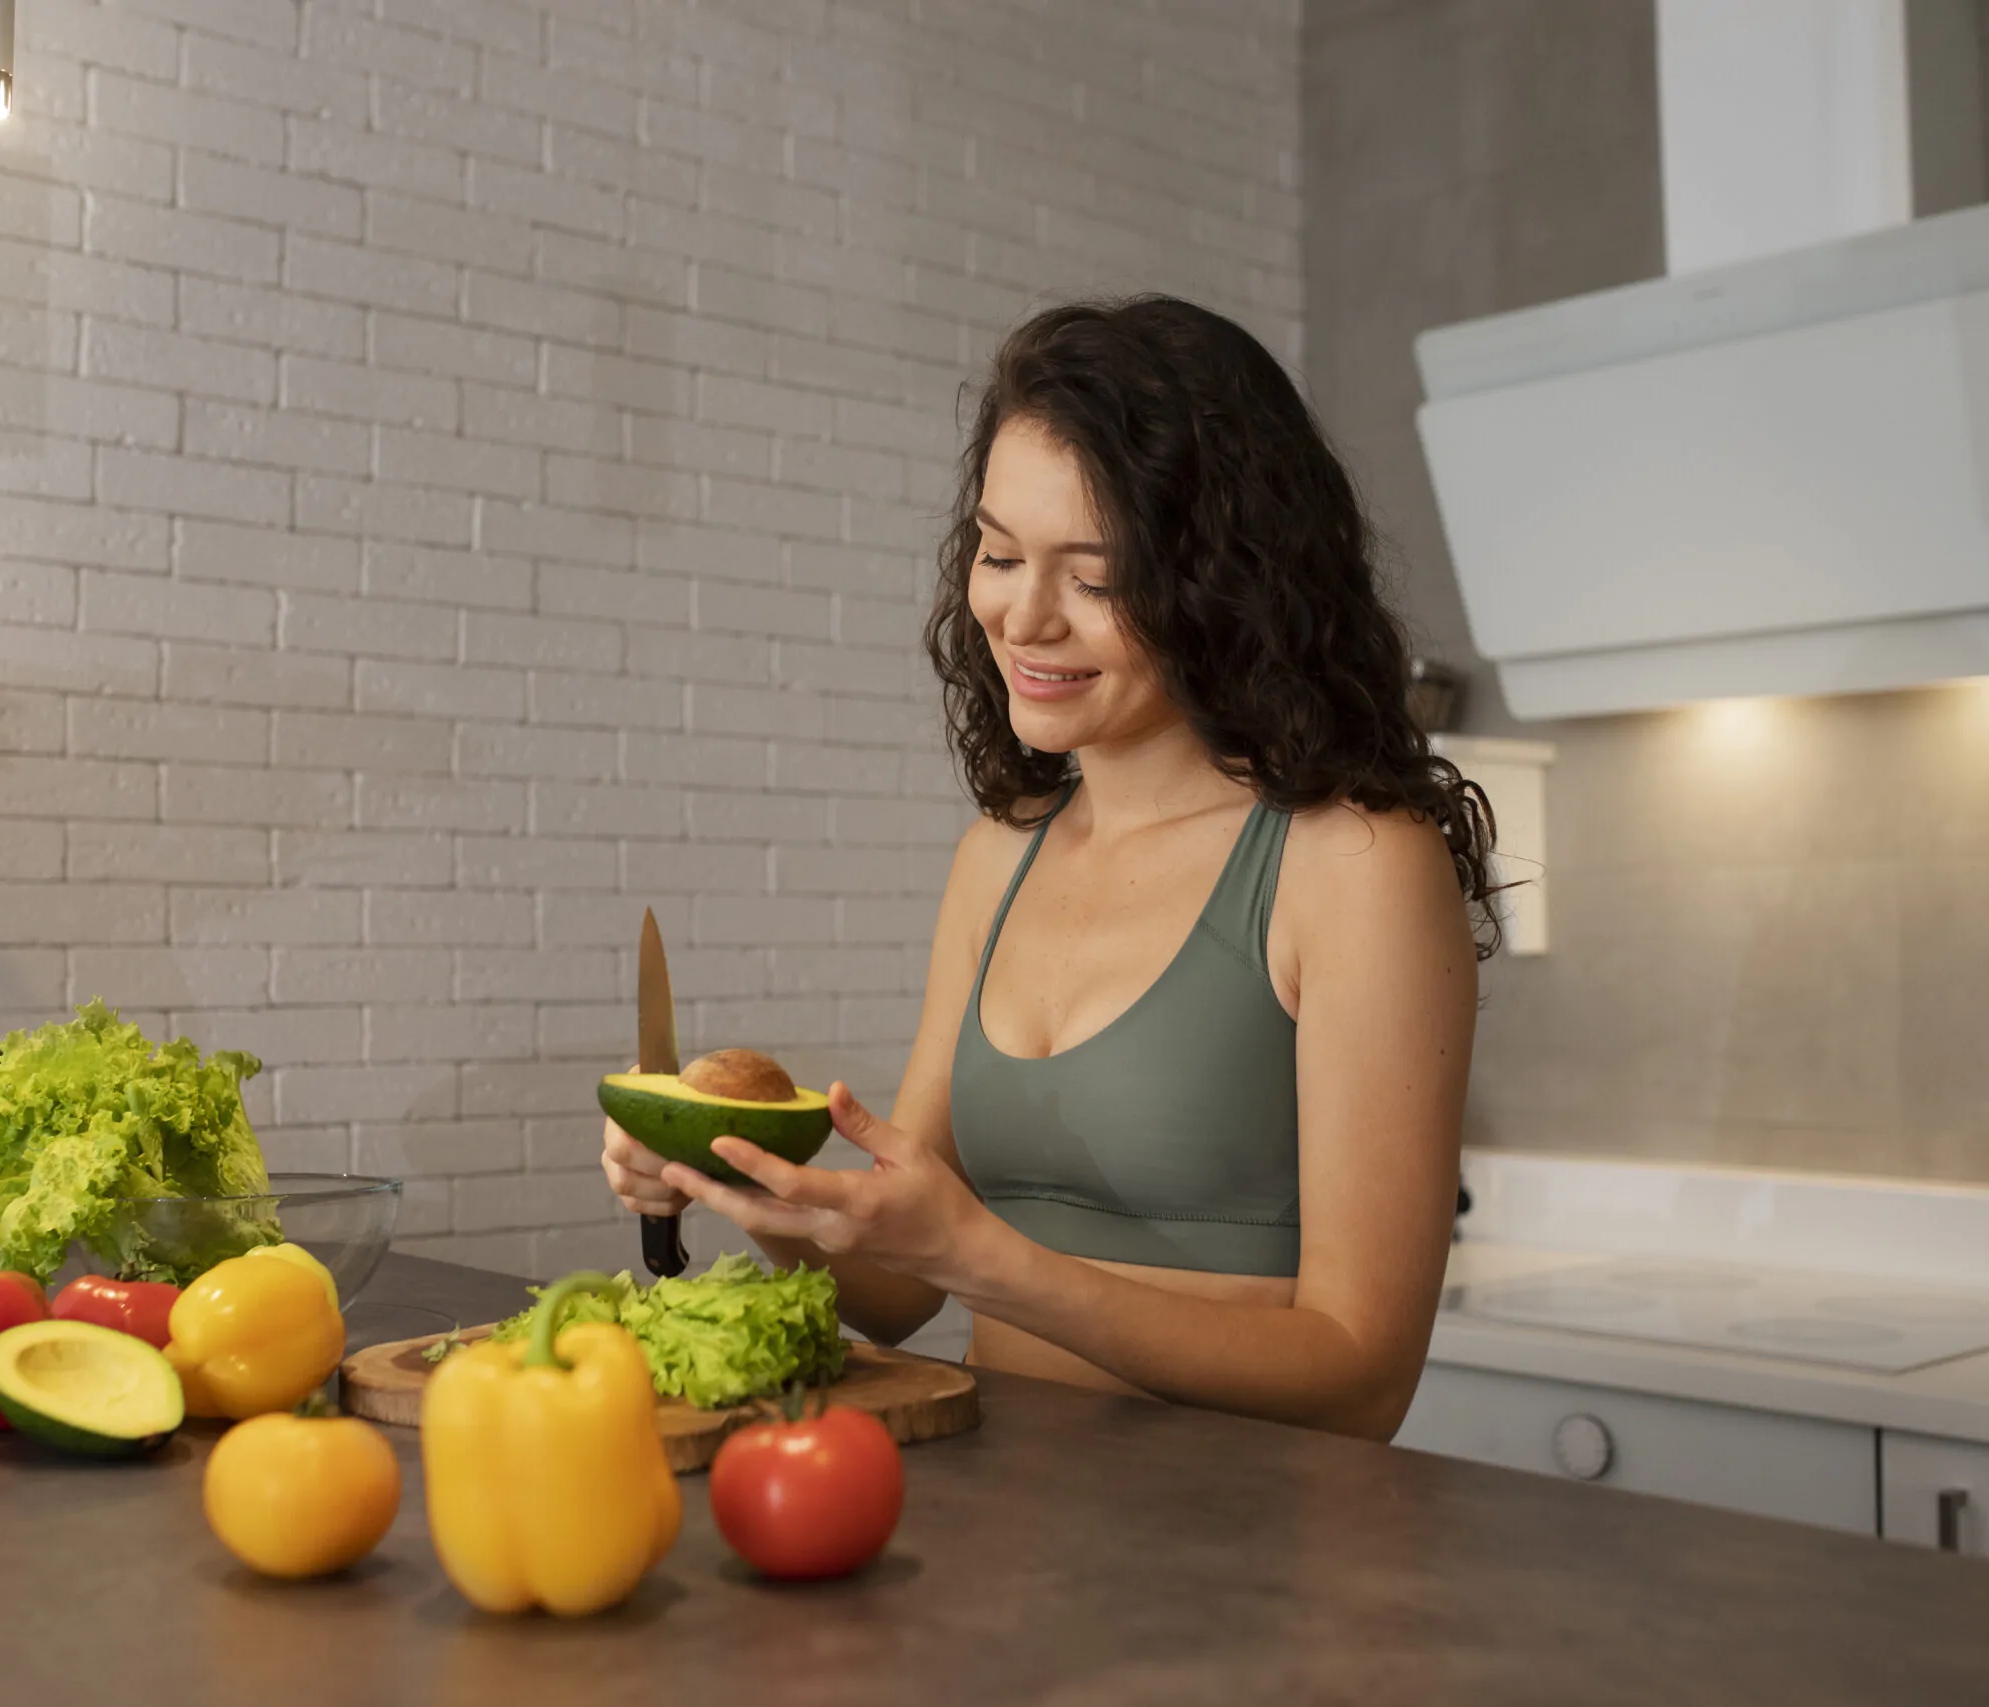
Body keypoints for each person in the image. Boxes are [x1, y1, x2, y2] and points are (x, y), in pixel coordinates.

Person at [601, 297, 1497, 1440]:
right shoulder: (999, 859)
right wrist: (734, 1181)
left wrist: (989, 1261)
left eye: (1094, 575)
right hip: (1005, 1532)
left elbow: (1361, 1372)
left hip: (1255, 1558)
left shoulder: (1353, 866)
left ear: (1228, 585)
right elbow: (897, 1290)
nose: (1021, 617)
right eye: (998, 553)